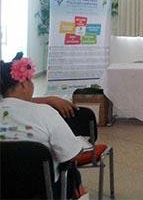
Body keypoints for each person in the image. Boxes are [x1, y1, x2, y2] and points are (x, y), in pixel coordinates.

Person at [0, 56, 85, 199]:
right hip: (43, 192)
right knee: (71, 169)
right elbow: (73, 154)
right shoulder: (45, 113)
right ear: (23, 84)